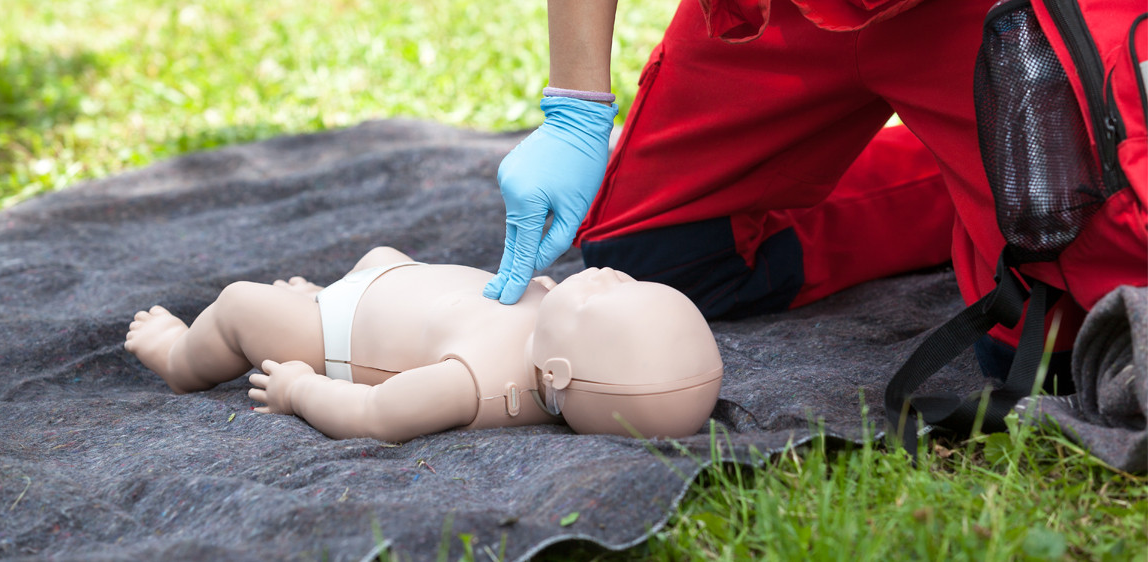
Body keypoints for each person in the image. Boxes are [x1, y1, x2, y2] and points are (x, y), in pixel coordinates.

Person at [483, 0, 1147, 382]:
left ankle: (993, 174)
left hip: (977, 13)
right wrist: (577, 108)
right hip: (794, 10)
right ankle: (975, 175)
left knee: (1053, 330)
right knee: (653, 254)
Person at [124, 247, 723, 442]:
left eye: (603, 298)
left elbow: (377, 414)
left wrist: (301, 388)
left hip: (334, 333)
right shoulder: (557, 333)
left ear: (558, 372)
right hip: (386, 280)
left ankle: (179, 356)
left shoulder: (473, 384)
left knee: (239, 304)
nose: (610, 276)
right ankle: (317, 293)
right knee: (384, 255)